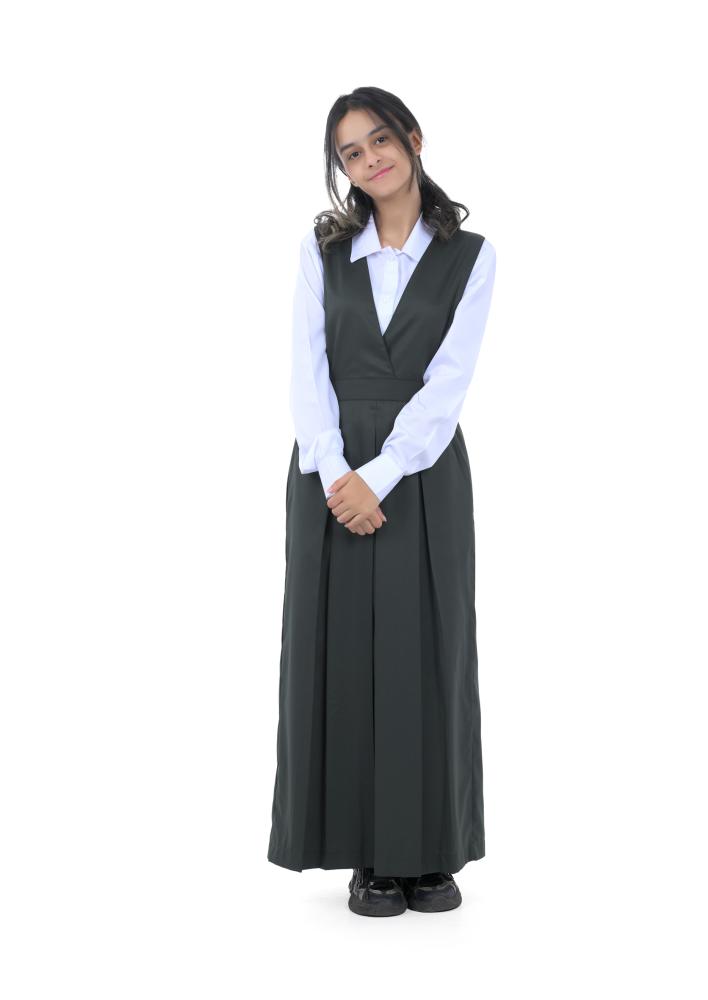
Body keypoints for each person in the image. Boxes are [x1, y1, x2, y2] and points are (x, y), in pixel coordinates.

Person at [267, 86, 497, 917]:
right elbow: (307, 373)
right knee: (344, 654)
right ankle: (367, 850)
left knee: (428, 652)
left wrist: (385, 472)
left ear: (414, 138)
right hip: (329, 474)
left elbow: (448, 384)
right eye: (351, 153)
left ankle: (428, 850)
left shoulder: (471, 256)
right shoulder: (322, 251)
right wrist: (340, 475)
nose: (370, 160)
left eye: (380, 140)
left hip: (422, 472)